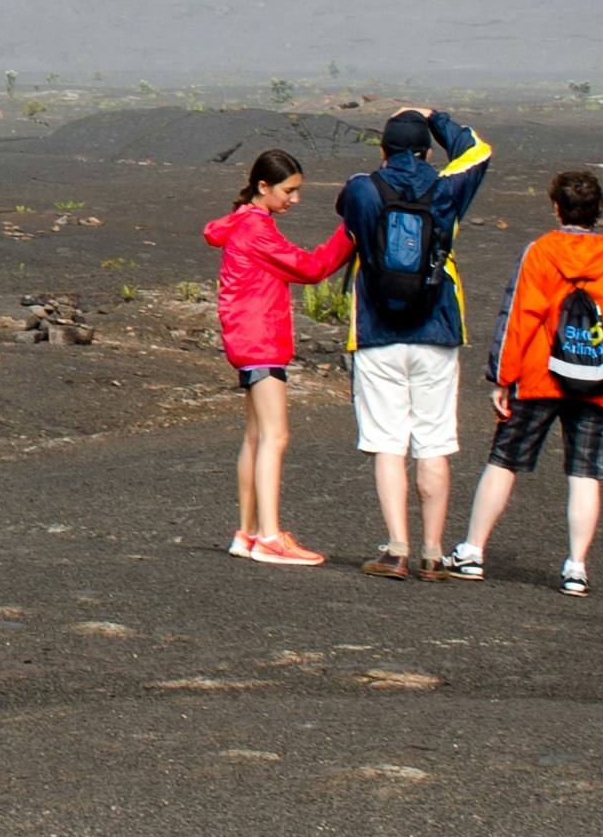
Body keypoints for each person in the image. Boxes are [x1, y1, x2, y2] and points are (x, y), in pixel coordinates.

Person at [452, 166, 603, 592]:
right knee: (585, 474)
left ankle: (472, 551)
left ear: (557, 207)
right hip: (597, 378)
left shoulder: (540, 252)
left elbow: (519, 316)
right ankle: (576, 567)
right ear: (597, 210)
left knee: (503, 461)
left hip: (539, 376)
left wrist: (501, 378)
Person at [335, 105, 491, 577]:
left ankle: (396, 548)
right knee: (434, 442)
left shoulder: (363, 188)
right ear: (426, 150)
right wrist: (437, 116)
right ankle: (432, 551)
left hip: (377, 332)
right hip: (438, 328)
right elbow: (478, 152)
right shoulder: (446, 188)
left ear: (383, 150)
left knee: (387, 442)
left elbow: (349, 217)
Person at [203, 149, 346, 565]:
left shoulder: (243, 225)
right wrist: (349, 236)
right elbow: (311, 268)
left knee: (255, 437)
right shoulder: (257, 232)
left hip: (247, 341)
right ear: (263, 187)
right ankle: (268, 537)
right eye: (289, 191)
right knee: (276, 437)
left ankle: (247, 534)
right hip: (261, 341)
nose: (294, 199)